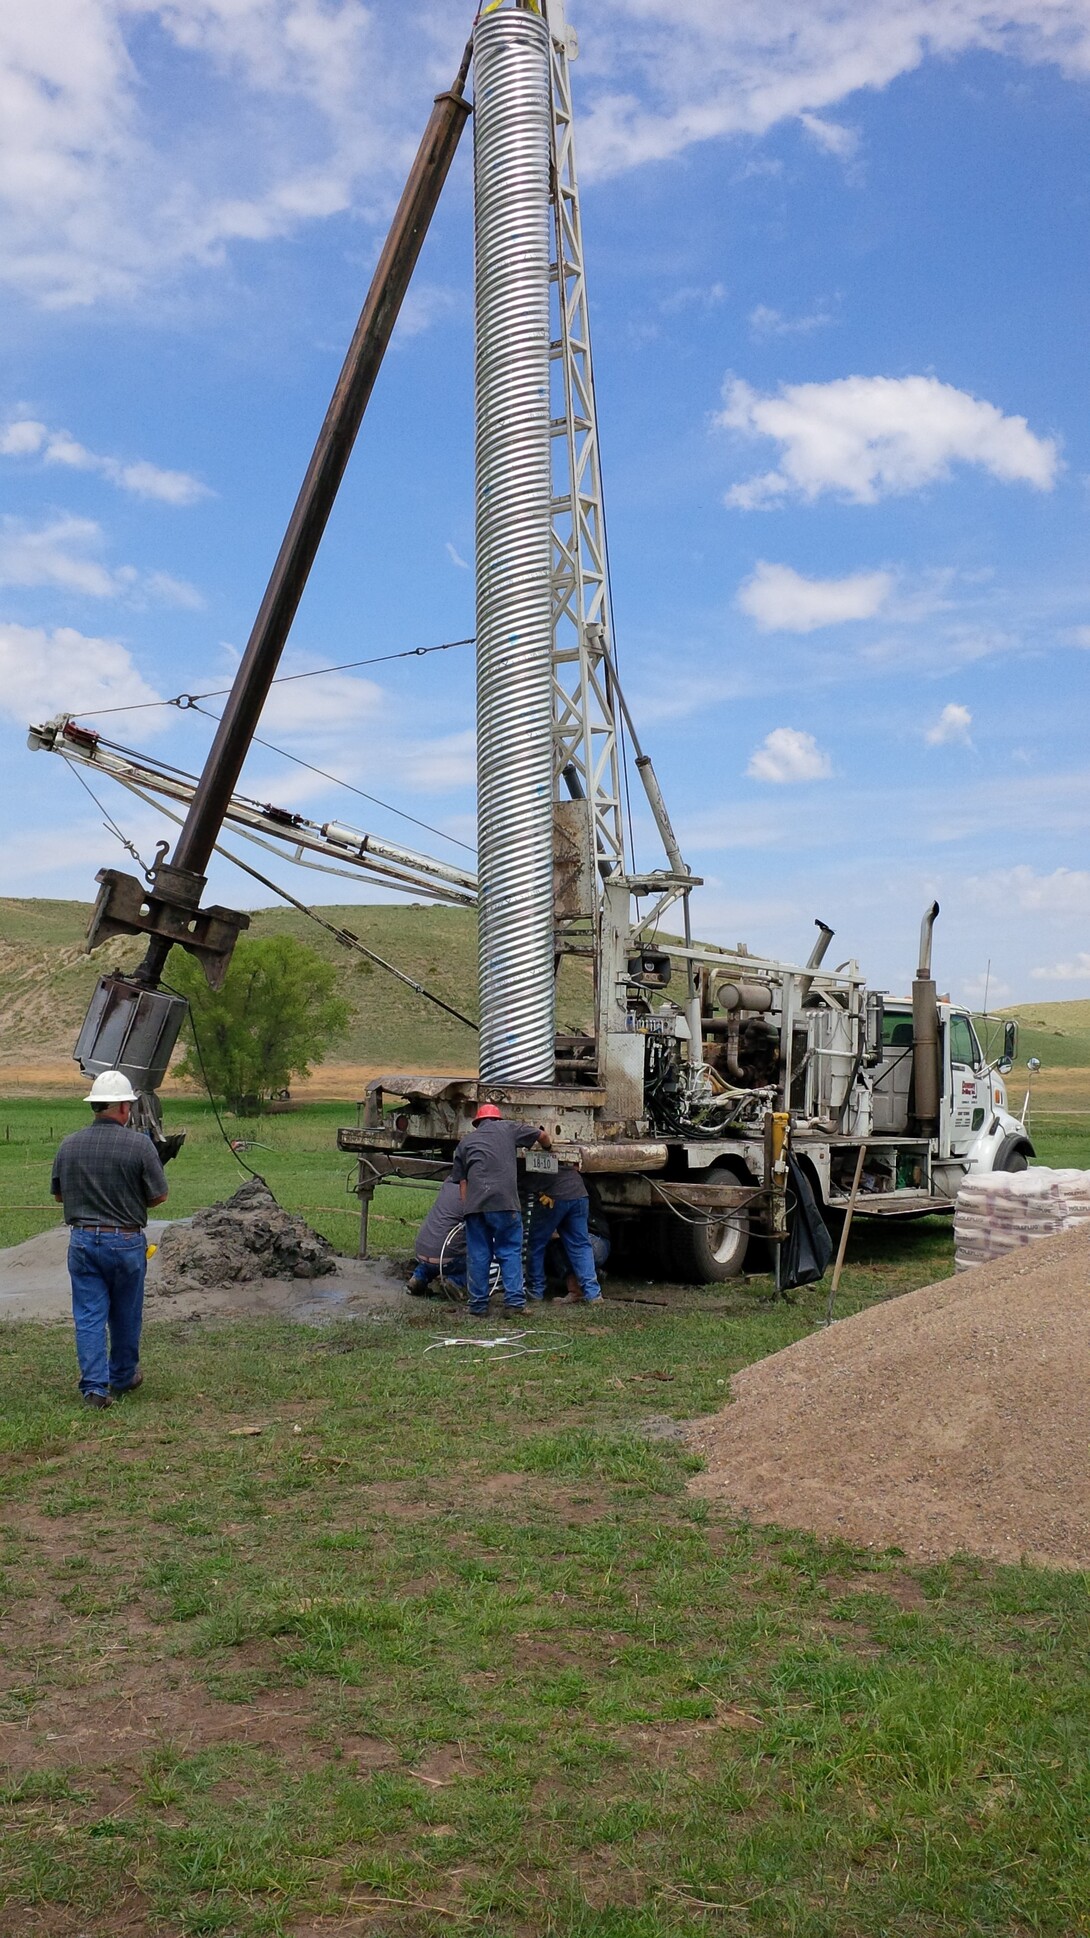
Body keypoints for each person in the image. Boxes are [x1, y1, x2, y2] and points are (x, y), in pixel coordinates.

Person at [51, 1070, 169, 1408]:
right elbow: (159, 1196)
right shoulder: (140, 1145)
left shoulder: (69, 1144)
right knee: (126, 1313)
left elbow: (59, 1196)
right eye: (128, 1105)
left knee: (89, 1314)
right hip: (126, 1242)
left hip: (83, 1242)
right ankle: (122, 1376)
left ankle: (94, 1389)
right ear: (120, 1107)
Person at [450, 1103, 549, 1316]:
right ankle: (514, 1303)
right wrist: (549, 1147)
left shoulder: (465, 1143)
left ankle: (477, 1305)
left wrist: (468, 1210)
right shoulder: (509, 1129)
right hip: (505, 1203)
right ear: (497, 1119)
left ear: (477, 1123)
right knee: (509, 1250)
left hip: (475, 1206)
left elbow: (462, 1182)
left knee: (478, 1254)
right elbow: (541, 1135)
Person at [527, 1161, 603, 1305]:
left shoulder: (523, 1142)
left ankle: (535, 1293)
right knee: (580, 1245)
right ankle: (593, 1294)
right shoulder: (555, 1151)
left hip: (552, 1195)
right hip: (578, 1192)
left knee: (536, 1244)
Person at [407, 1176, 467, 1295]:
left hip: (422, 1252)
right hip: (447, 1258)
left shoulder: (448, 1182)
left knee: (429, 1263)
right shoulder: (474, 1192)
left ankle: (418, 1277)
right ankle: (457, 1281)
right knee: (481, 1259)